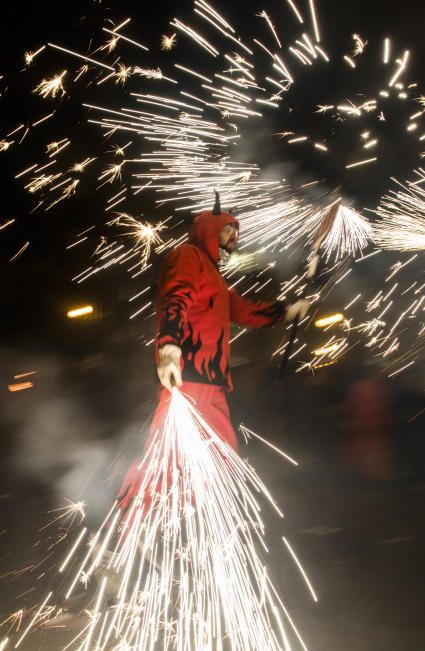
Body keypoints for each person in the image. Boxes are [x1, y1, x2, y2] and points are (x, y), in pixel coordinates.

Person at [116, 193, 310, 509]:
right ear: (210, 228)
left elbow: (245, 311)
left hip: (212, 383)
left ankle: (183, 528)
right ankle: (123, 529)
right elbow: (174, 300)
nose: (235, 236)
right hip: (188, 378)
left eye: (237, 231)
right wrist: (168, 349)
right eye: (228, 228)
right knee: (167, 460)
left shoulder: (214, 277)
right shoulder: (188, 257)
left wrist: (287, 311)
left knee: (220, 459)